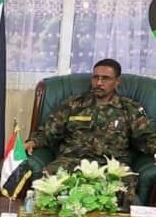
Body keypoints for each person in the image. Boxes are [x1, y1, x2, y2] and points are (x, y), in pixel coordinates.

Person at [25, 58, 156, 203]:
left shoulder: (129, 109)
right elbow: (49, 131)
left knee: (125, 192)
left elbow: (147, 138)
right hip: (71, 161)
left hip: (111, 165)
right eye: (95, 77)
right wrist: (33, 142)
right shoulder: (73, 104)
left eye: (105, 78)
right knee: (47, 188)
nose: (99, 83)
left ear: (117, 81)